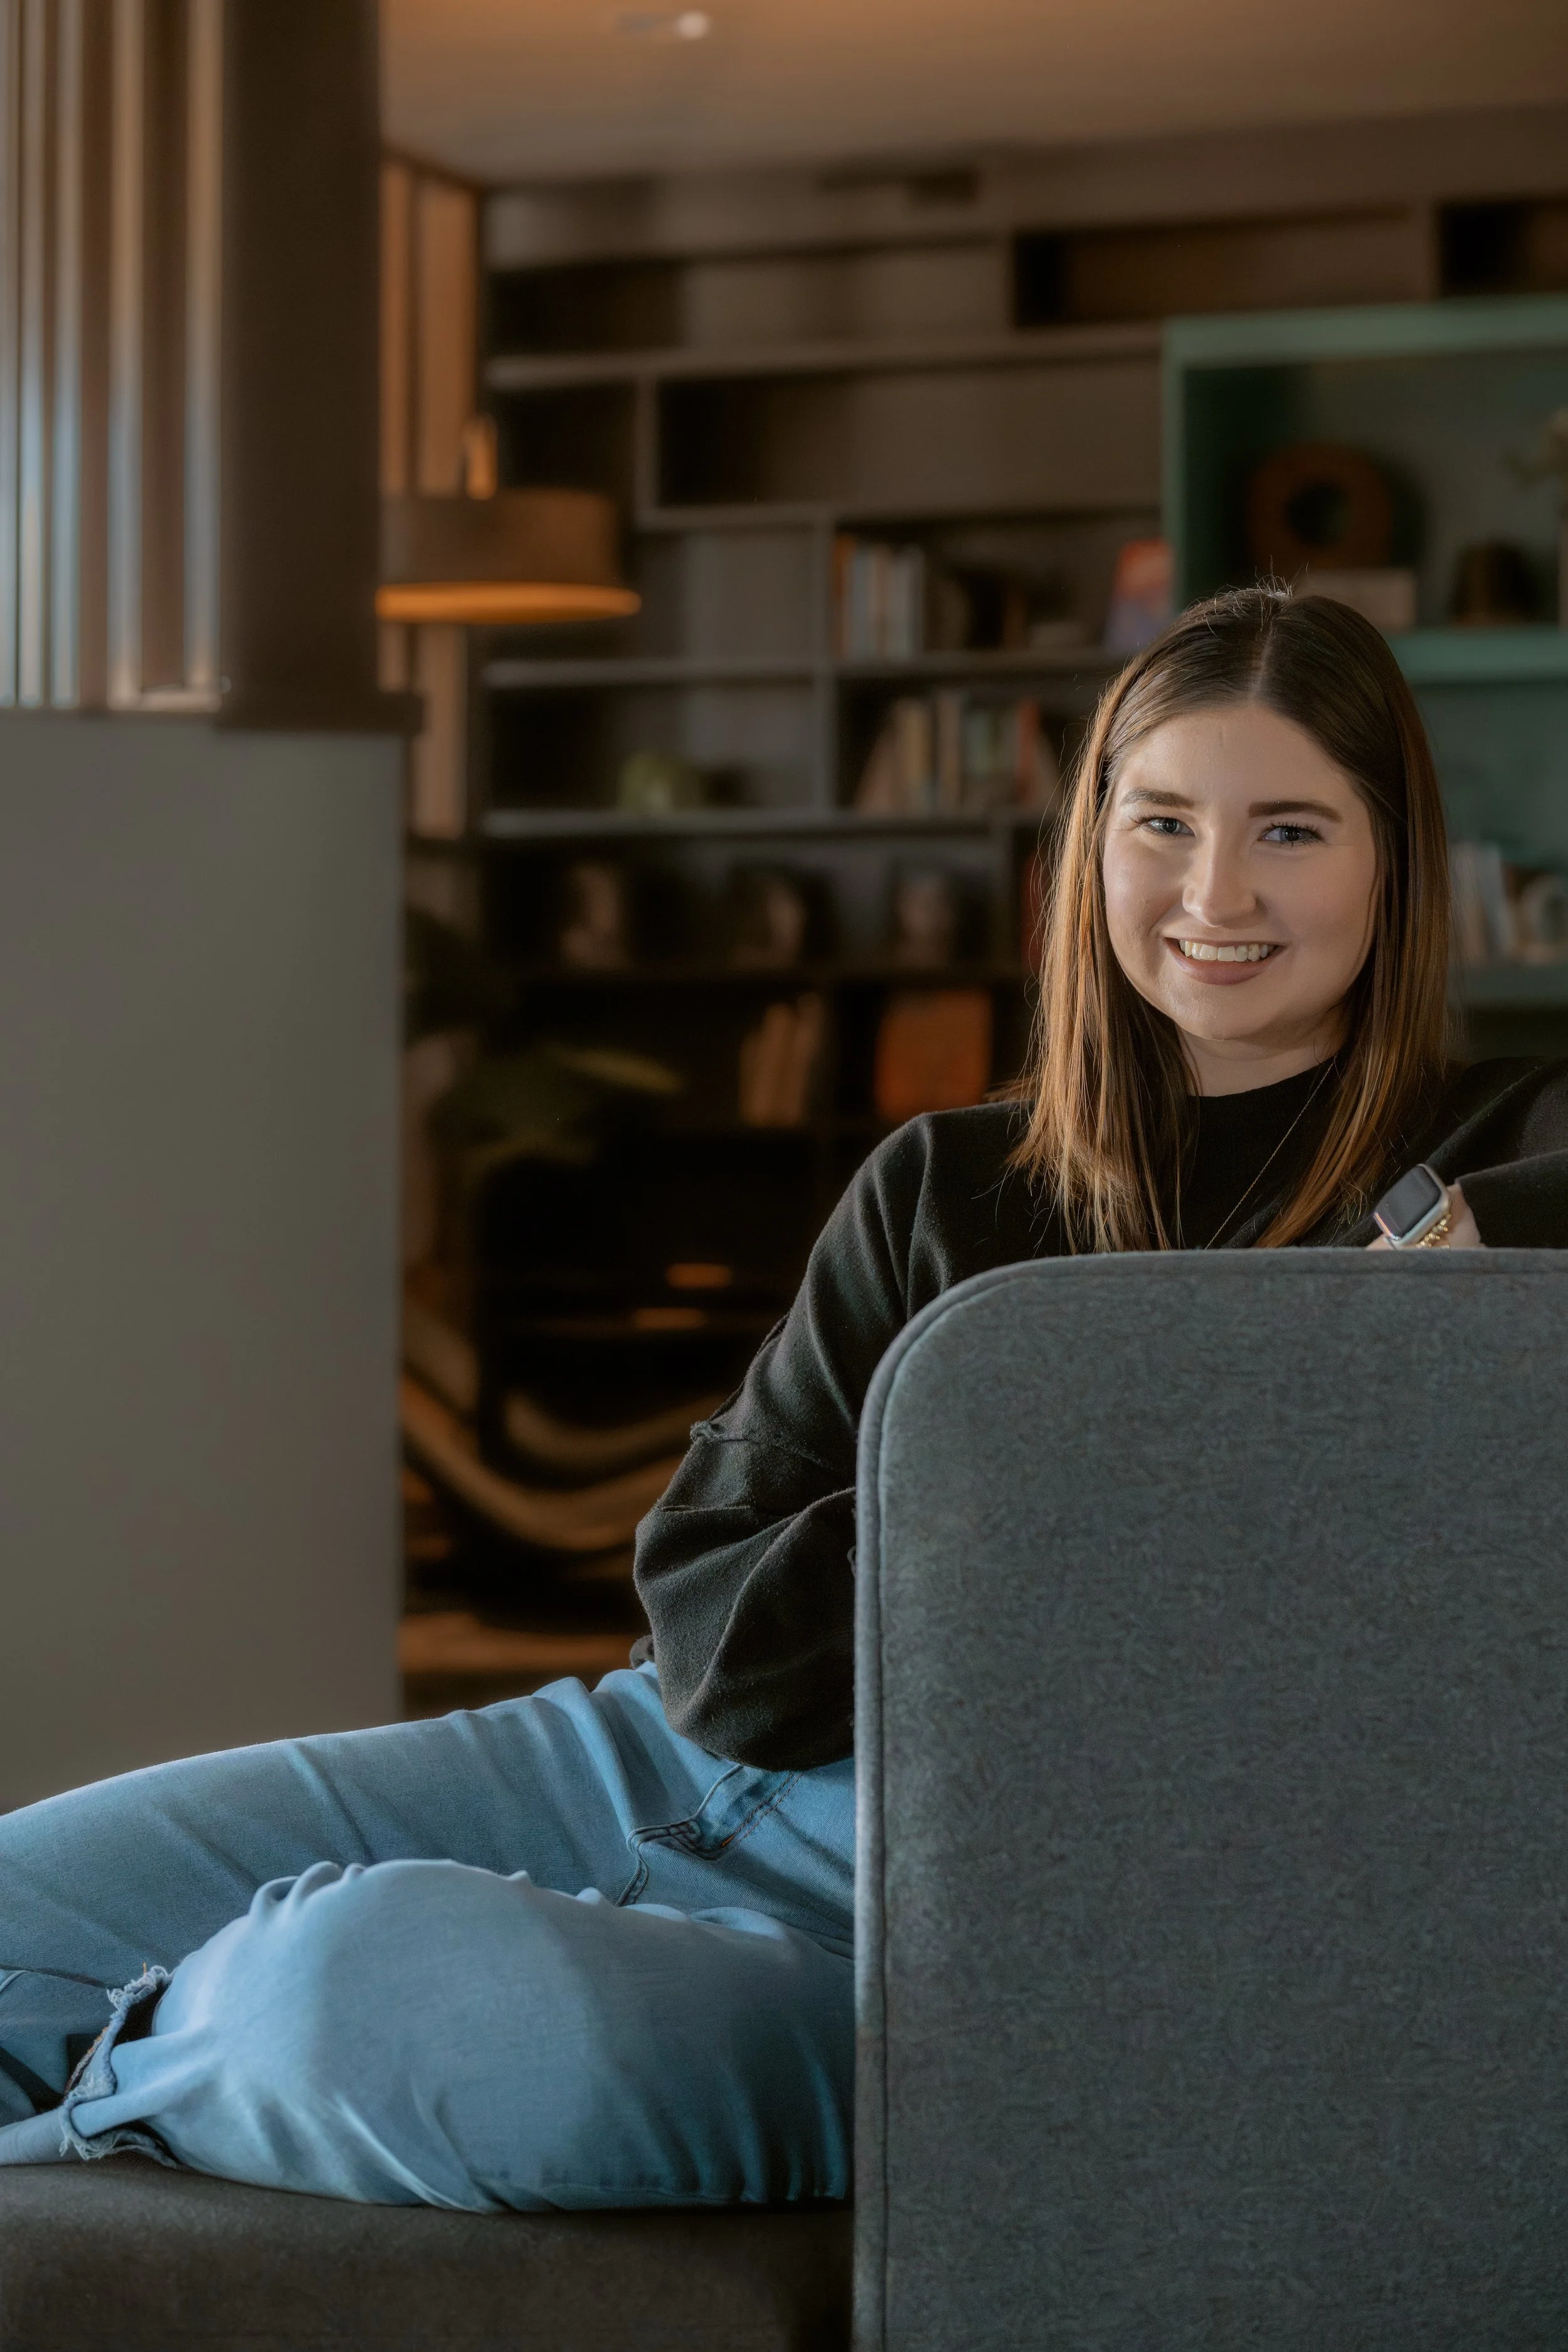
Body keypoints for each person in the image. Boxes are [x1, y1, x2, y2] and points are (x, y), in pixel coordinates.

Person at [3, 586, 1565, 2212]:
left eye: (1292, 830)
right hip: (638, 1759)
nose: (1213, 892)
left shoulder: (1497, 1150)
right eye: (1159, 821)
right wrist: (1068, 1505)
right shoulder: (949, 1181)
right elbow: (709, 1616)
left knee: (366, 1980)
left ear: (1395, 862)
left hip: (951, 1921)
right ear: (1088, 849)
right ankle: (163, 2039)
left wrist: (1430, 1272)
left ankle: (117, 2076)